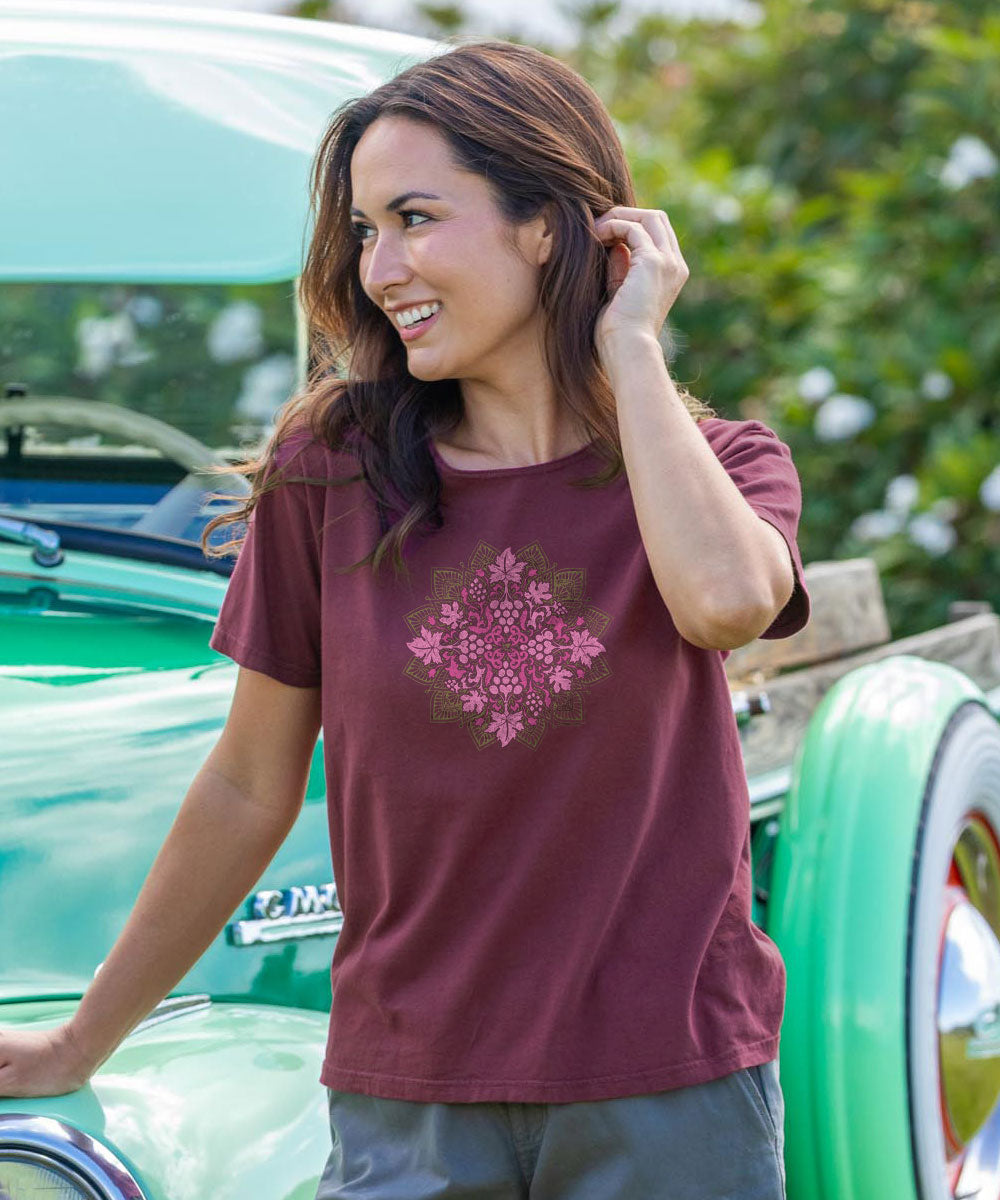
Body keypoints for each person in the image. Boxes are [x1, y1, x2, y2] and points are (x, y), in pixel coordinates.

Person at [0, 35, 809, 1200]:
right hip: (408, 1099)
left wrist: (629, 346)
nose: (382, 268)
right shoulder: (331, 471)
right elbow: (246, 783)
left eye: (417, 217)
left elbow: (725, 601)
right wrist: (86, 1039)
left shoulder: (719, 467)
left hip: (669, 1088)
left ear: (553, 224)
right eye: (367, 230)